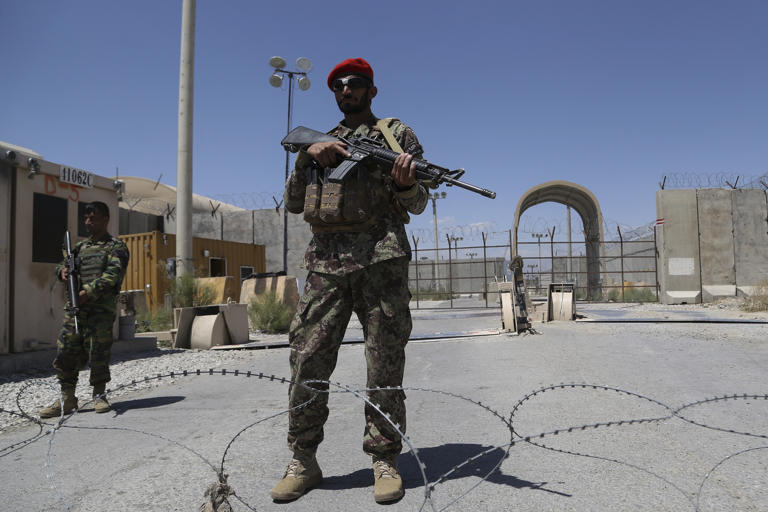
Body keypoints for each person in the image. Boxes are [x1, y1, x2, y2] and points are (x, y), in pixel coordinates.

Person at [271, 58, 428, 504]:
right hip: (326, 264)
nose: (347, 90)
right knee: (308, 361)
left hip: (382, 262)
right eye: (339, 85)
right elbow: (296, 203)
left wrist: (403, 186)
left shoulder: (397, 137)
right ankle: (303, 459)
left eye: (355, 84)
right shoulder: (322, 143)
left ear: (371, 91)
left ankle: (384, 459)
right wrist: (307, 156)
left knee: (384, 365)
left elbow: (417, 204)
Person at [39, 201, 129, 418]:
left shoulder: (116, 247)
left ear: (106, 219)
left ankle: (99, 394)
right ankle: (67, 398)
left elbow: (112, 276)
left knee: (98, 351)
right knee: (66, 351)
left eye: (93, 218)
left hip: (99, 310)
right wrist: (61, 271)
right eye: (86, 218)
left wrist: (88, 291)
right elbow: (62, 265)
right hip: (75, 309)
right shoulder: (79, 248)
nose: (88, 222)